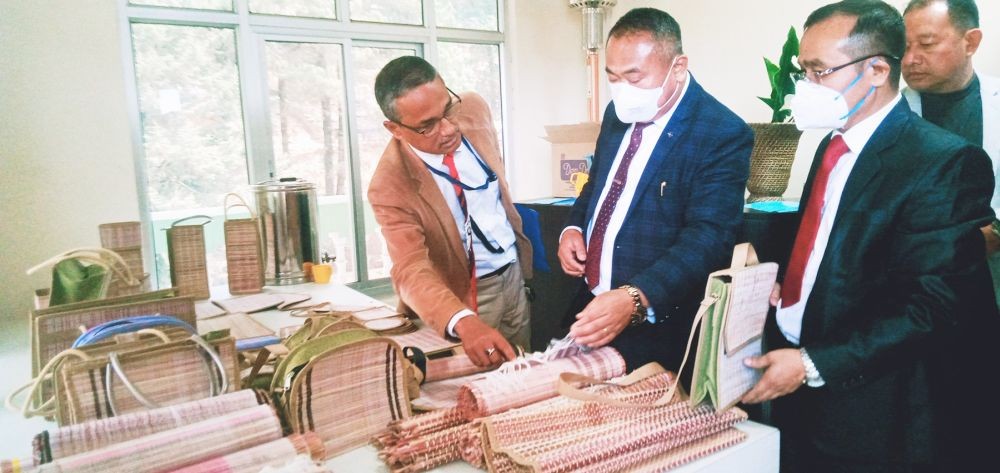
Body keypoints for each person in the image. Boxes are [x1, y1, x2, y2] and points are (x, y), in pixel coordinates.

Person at [740, 1, 999, 471]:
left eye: (820, 71)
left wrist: (813, 364)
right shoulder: (832, 143)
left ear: (877, 69)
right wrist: (788, 285)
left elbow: (932, 307)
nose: (806, 87)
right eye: (804, 71)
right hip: (802, 390)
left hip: (874, 408)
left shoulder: (942, 162)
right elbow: (826, 244)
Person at [557, 7, 753, 372]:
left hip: (657, 318)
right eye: (612, 77)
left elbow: (709, 237)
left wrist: (636, 297)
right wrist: (573, 227)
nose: (622, 90)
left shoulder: (720, 132)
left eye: (634, 76)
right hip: (593, 300)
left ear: (677, 68)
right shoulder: (618, 113)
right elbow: (597, 185)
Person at [368, 56, 532, 367]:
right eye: (427, 126)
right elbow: (409, 268)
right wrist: (464, 321)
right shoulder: (390, 184)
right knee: (479, 390)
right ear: (395, 129)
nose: (447, 129)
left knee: (524, 375)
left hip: (513, 277)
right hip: (464, 295)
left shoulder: (472, 109)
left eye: (446, 110)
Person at [901, 0, 1000, 306]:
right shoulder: (886, 112)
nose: (910, 59)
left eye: (926, 44)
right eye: (903, 46)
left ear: (971, 42)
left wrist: (996, 233)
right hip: (911, 282)